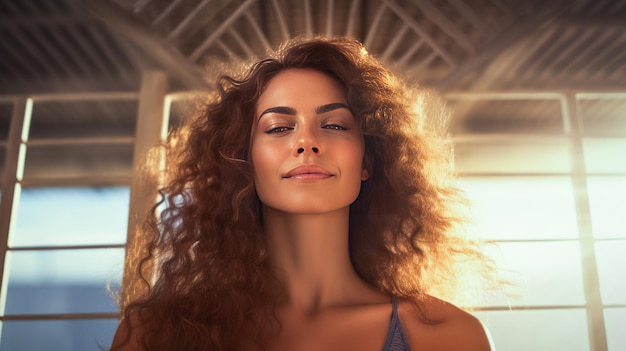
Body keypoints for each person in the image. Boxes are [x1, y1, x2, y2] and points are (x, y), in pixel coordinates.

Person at [110, 36, 496, 351]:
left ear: (369, 160)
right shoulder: (155, 334)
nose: (307, 142)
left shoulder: (450, 337)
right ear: (245, 162)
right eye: (279, 128)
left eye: (334, 125)